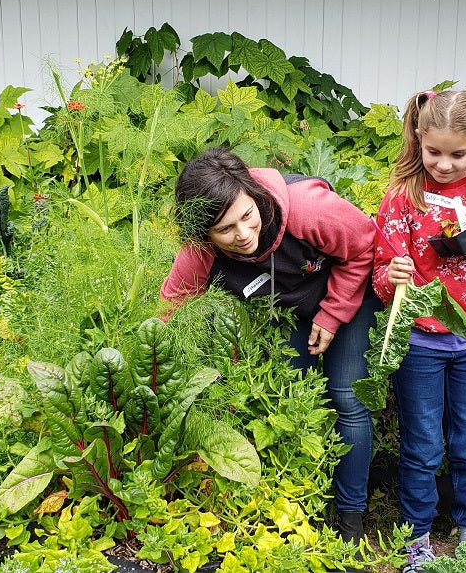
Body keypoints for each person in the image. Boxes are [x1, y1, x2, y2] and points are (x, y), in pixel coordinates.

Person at [160, 146, 381, 543]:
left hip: (349, 295)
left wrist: (333, 312)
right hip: (290, 311)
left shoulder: (307, 207)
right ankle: (306, 509)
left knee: (347, 397)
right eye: (225, 230)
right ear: (202, 233)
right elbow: (168, 312)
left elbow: (365, 245)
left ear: (254, 195)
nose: (242, 235)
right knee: (291, 397)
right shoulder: (199, 251)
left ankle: (351, 516)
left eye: (247, 217)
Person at [372, 89, 466, 571]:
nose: (445, 164)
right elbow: (380, 275)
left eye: (458, 154)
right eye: (434, 152)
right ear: (417, 137)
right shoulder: (401, 196)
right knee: (423, 442)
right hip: (420, 341)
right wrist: (392, 276)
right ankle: (416, 538)